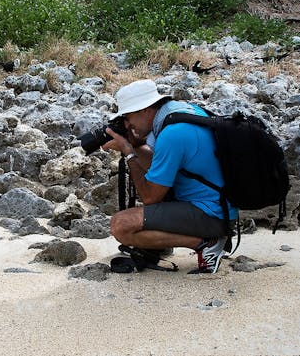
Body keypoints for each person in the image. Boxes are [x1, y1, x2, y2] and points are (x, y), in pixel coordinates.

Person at [101, 79, 238, 273]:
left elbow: (150, 196)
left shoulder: (172, 134)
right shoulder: (181, 113)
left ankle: (206, 243)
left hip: (211, 213)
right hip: (220, 206)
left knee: (121, 225)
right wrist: (137, 145)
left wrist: (128, 152)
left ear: (144, 109)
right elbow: (160, 167)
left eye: (127, 116)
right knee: (138, 217)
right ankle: (170, 243)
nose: (127, 123)